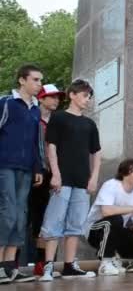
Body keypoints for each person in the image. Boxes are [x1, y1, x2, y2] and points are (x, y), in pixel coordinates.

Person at [40, 79, 101, 281]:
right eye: (84, 95)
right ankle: (48, 266)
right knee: (54, 222)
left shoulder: (90, 124)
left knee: (76, 224)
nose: (87, 100)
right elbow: (51, 147)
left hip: (82, 181)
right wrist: (56, 173)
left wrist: (94, 178)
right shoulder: (58, 118)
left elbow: (96, 153)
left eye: (89, 97)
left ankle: (69, 265)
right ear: (73, 95)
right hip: (62, 179)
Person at [0, 65, 43, 284]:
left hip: (26, 169)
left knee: (20, 216)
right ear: (22, 81)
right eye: (35, 80)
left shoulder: (35, 109)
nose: (39, 84)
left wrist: (38, 168)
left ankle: (9, 267)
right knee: (7, 213)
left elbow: (37, 143)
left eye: (40, 80)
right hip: (4, 166)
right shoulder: (6, 103)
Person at [85, 158, 133, 275]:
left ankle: (132, 262)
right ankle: (106, 263)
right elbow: (106, 211)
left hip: (116, 232)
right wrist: (132, 209)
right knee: (116, 219)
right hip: (95, 231)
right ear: (125, 174)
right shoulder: (111, 185)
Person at [29, 84, 64, 277]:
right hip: (34, 172)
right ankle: (12, 263)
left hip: (53, 174)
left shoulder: (57, 123)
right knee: (29, 218)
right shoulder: (32, 119)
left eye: (58, 97)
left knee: (47, 219)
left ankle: (42, 264)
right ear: (41, 98)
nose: (56, 100)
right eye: (51, 97)